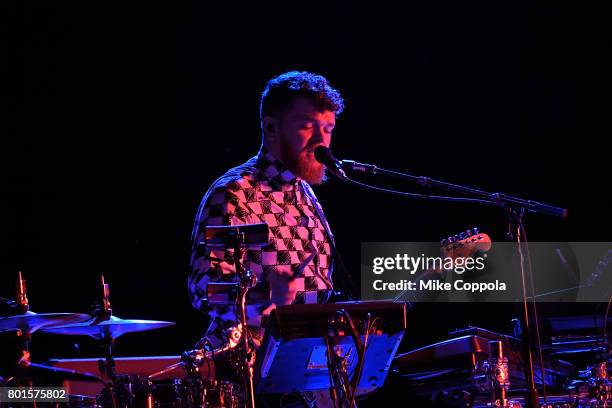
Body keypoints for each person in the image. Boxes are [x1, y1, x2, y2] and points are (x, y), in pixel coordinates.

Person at [188, 71, 344, 352]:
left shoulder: (307, 196)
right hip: (245, 375)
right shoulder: (233, 192)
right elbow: (203, 288)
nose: (321, 140)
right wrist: (263, 294)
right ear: (271, 128)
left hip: (301, 368)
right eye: (308, 126)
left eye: (329, 129)